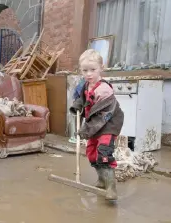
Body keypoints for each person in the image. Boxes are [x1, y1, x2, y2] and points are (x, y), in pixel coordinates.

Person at [70, 49, 124, 201]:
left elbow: (102, 116)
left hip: (108, 124)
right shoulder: (86, 85)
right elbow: (82, 98)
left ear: (101, 68)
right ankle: (102, 180)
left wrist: (85, 130)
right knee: (92, 152)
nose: (89, 74)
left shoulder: (104, 90)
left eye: (93, 70)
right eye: (85, 70)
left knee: (104, 152)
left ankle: (111, 187)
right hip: (95, 124)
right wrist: (77, 105)